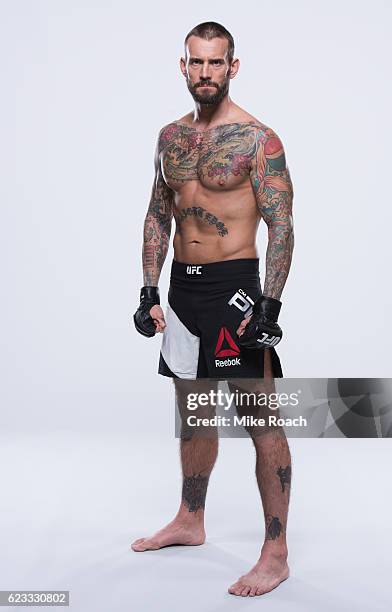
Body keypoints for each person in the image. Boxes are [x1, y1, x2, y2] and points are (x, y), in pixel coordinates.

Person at [131, 21, 294, 597]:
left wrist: (270, 304)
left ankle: (275, 552)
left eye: (215, 63)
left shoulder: (258, 139)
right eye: (196, 63)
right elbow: (157, 214)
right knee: (192, 408)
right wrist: (150, 288)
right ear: (183, 66)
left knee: (260, 418)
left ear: (233, 66)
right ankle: (190, 520)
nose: (205, 73)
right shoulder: (170, 137)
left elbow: (282, 224)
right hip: (183, 290)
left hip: (235, 289)